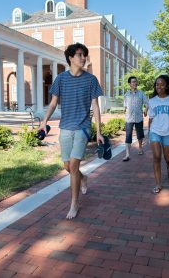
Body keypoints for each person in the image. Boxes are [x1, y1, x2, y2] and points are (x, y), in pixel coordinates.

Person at [39, 43, 104, 219]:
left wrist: (98, 131)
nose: (83, 58)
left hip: (83, 127)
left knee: (74, 166)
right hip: (65, 127)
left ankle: (74, 204)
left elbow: (96, 107)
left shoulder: (91, 79)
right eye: (80, 55)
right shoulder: (60, 79)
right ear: (70, 58)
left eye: (85, 55)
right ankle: (83, 178)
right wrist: (44, 122)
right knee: (68, 166)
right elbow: (53, 103)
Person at [148, 75, 169, 194]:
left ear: (167, 86)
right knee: (157, 157)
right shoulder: (152, 101)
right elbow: (151, 118)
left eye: (162, 84)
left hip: (168, 132)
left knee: (168, 158)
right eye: (157, 84)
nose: (159, 86)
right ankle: (158, 184)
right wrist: (149, 132)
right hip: (155, 131)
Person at [122, 76, 148, 161]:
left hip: (139, 118)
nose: (135, 83)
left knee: (140, 134)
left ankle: (140, 147)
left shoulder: (141, 93)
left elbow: (147, 103)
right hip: (129, 119)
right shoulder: (126, 95)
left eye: (136, 82)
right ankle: (127, 154)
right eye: (133, 82)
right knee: (128, 136)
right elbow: (125, 107)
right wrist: (125, 113)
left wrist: (145, 110)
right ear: (129, 84)